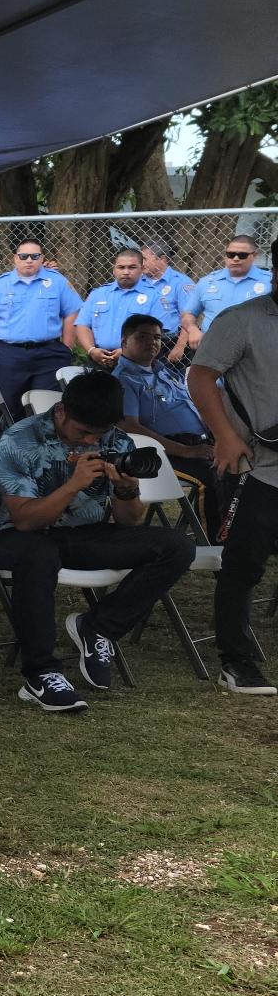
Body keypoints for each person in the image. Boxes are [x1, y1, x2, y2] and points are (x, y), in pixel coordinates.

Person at [0, 370, 192, 709]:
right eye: (82, 432)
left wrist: (126, 488)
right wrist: (72, 485)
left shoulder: (116, 441)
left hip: (83, 534)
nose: (89, 441)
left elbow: (130, 521)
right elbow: (24, 521)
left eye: (98, 434)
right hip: (17, 535)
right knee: (38, 554)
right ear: (61, 411)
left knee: (176, 546)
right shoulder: (19, 440)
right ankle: (40, 674)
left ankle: (98, 627)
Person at [187, 274, 278, 693]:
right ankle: (236, 661)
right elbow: (200, 376)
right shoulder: (242, 320)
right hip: (258, 466)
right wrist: (225, 436)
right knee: (244, 565)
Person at [110, 313, 224, 525]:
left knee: (240, 468)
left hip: (201, 445)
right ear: (124, 341)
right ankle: (216, 545)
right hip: (164, 452)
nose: (152, 342)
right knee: (212, 479)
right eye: (143, 337)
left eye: (156, 337)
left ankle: (246, 536)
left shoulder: (163, 372)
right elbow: (130, 427)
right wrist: (188, 451)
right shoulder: (123, 380)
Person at [0, 240, 83, 414]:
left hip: (49, 355)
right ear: (15, 259)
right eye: (23, 256)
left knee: (48, 406)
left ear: (42, 259)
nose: (29, 260)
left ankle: (45, 440)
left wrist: (67, 346)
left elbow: (72, 312)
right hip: (9, 356)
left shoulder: (57, 282)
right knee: (10, 406)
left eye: (35, 256)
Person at [74, 248, 157, 366]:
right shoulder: (97, 294)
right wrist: (91, 350)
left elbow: (158, 333)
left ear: (142, 269)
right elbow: (83, 325)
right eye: (121, 267)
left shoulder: (154, 296)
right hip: (99, 360)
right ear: (114, 270)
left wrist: (127, 352)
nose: (126, 272)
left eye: (132, 267)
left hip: (136, 362)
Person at [196, 236, 273, 332]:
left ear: (254, 256)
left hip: (255, 343)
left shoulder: (271, 282)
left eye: (242, 255)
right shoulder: (206, 282)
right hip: (212, 343)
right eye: (230, 254)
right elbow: (189, 313)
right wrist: (192, 330)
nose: (235, 259)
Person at [138, 242, 202, 357]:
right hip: (139, 340)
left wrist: (180, 346)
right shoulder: (137, 282)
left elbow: (189, 317)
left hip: (168, 342)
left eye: (144, 259)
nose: (141, 263)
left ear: (162, 259)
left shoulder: (181, 283)